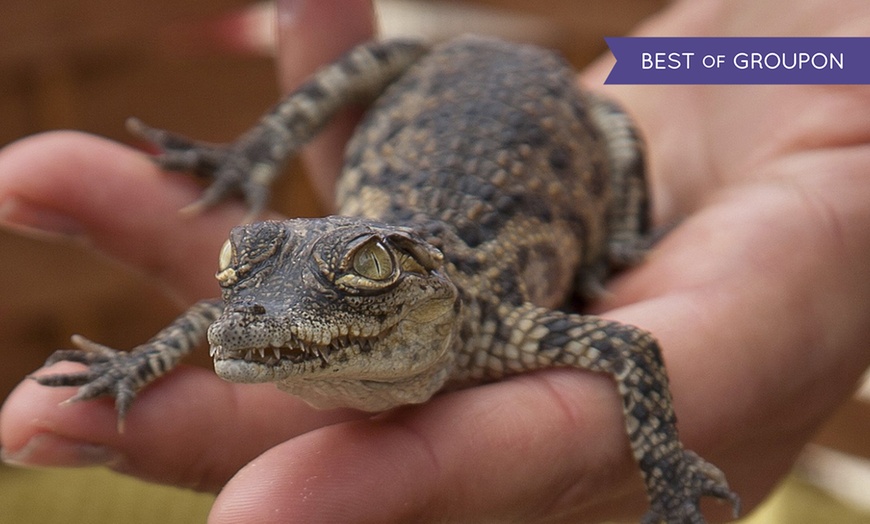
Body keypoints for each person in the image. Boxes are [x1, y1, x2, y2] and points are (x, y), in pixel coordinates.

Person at [2, 0, 869, 521]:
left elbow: (630, 345)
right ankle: (256, 152)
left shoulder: (495, 318)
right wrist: (138, 364)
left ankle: (621, 233)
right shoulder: (260, 307)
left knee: (611, 123)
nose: (252, 322)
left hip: (558, 108)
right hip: (445, 73)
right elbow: (216, 320)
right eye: (248, 275)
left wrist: (664, 461)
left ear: (418, 279)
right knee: (378, 62)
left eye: (367, 273)